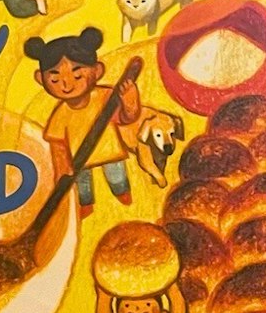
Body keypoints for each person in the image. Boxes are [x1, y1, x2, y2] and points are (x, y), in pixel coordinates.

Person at [27, 27, 180, 213]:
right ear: (40, 79)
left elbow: (126, 118)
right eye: (55, 79)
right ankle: (86, 205)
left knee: (117, 179)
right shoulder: (61, 113)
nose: (67, 84)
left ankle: (122, 194)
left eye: (77, 75)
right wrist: (62, 167)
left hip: (110, 153)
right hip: (78, 160)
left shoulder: (105, 97)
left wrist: (130, 101)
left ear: (97, 71)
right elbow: (57, 143)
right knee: (83, 188)